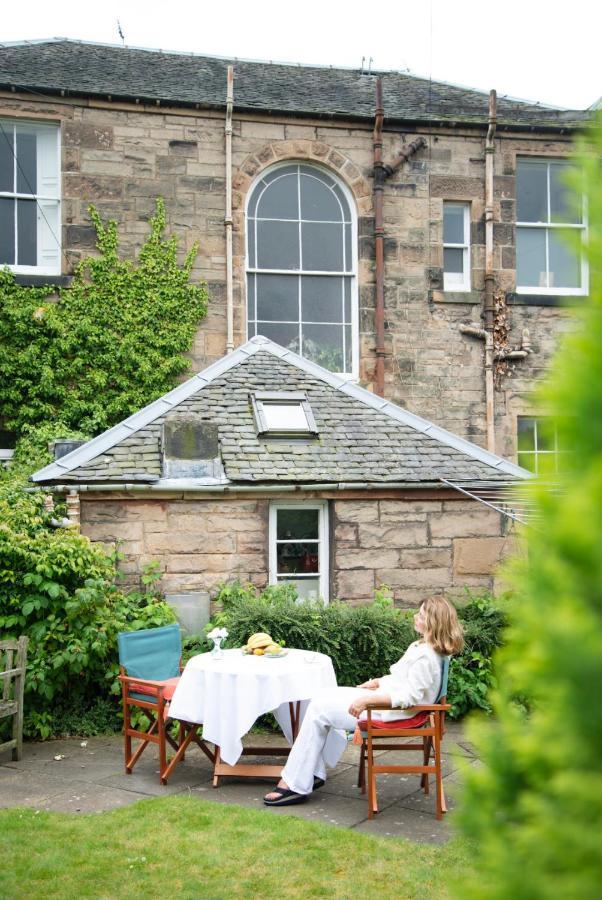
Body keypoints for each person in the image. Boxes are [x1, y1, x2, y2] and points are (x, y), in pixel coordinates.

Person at [264, 594, 464, 806]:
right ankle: (311, 772)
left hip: (388, 712)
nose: (415, 617)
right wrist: (378, 682)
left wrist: (367, 701)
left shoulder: (426, 656)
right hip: (384, 702)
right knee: (321, 695)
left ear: (433, 623)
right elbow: (403, 681)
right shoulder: (425, 648)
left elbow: (409, 697)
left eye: (421, 615)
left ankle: (295, 784)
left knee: (318, 709)